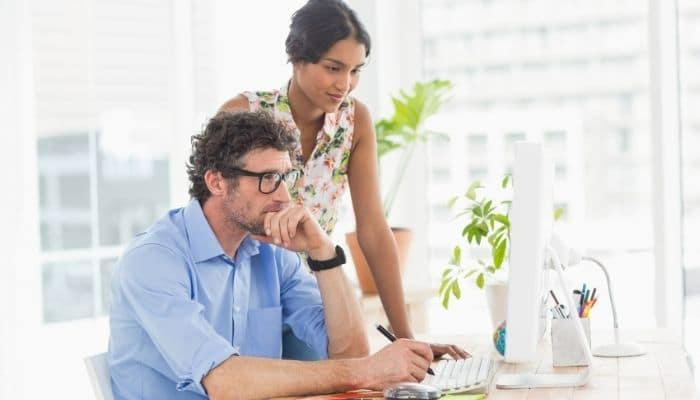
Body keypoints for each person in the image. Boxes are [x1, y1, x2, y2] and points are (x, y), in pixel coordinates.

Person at [108, 111, 435, 400]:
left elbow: (348, 351)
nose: (283, 196)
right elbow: (223, 382)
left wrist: (323, 253)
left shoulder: (271, 252)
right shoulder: (153, 260)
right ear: (217, 181)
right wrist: (365, 371)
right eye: (267, 179)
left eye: (285, 177)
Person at [219, 0, 468, 359]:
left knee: (344, 374)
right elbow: (210, 212)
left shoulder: (354, 122)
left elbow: (372, 228)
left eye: (355, 71)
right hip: (244, 292)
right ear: (296, 56)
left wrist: (405, 338)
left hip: (314, 290)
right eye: (333, 68)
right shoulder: (242, 114)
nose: (345, 84)